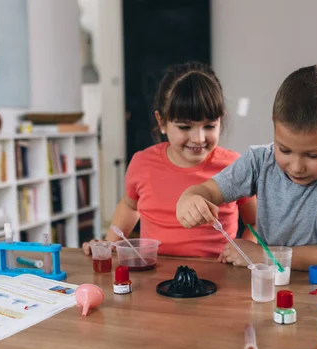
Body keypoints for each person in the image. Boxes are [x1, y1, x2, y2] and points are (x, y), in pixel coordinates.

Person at [175, 65, 317, 270]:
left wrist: (262, 254)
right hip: (269, 282)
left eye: (313, 155)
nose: (297, 166)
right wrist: (189, 198)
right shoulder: (260, 161)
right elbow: (206, 191)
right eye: (284, 149)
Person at [83, 62, 256, 258]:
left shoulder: (233, 165)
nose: (198, 138)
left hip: (220, 277)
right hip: (156, 274)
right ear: (162, 122)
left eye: (209, 126)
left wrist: (245, 248)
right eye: (184, 127)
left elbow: (255, 221)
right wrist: (107, 244)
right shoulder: (142, 163)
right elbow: (130, 206)